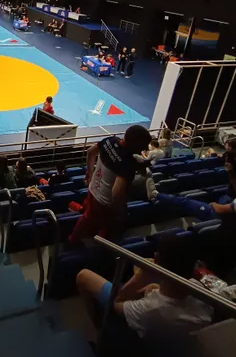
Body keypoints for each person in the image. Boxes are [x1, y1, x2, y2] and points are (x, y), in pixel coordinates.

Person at [76, 235, 212, 340]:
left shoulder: (149, 309)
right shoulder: (201, 291)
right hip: (178, 338)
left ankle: (99, 332)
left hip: (141, 326)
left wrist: (140, 277)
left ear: (157, 259)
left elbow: (117, 301)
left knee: (83, 276)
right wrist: (154, 286)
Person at [69, 125, 152, 245]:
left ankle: (75, 239)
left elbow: (90, 152)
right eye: (144, 145)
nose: (145, 148)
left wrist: (90, 173)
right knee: (102, 226)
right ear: (136, 145)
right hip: (104, 202)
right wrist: (119, 210)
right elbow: (116, 192)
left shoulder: (110, 140)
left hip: (92, 188)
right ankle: (77, 242)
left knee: (89, 216)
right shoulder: (128, 163)